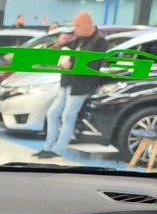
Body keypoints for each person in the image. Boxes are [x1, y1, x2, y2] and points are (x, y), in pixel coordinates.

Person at [35, 11, 108, 160]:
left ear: (88, 24)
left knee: (68, 116)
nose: (76, 28)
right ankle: (48, 146)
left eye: (78, 25)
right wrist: (61, 43)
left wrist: (71, 65)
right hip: (67, 82)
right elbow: (63, 51)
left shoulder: (99, 41)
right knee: (52, 113)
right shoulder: (79, 39)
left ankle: (58, 149)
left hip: (81, 86)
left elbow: (92, 64)